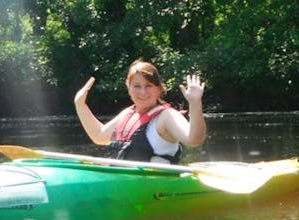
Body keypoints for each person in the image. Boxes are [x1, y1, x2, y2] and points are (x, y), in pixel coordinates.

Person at [74, 59, 206, 164]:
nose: (143, 92)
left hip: (157, 188)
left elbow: (194, 140)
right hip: (123, 184)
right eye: (137, 86)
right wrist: (80, 104)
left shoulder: (167, 116)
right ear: (129, 89)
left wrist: (195, 103)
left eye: (149, 86)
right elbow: (99, 136)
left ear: (159, 89)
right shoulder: (127, 114)